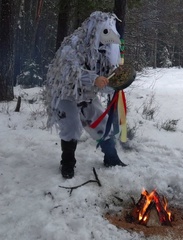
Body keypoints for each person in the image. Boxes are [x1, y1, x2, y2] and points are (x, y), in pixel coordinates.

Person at [46, 11, 126, 179]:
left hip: (87, 94)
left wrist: (114, 83)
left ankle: (111, 157)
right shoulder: (73, 45)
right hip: (65, 92)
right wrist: (94, 78)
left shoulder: (104, 51)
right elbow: (69, 71)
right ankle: (67, 162)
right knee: (72, 126)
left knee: (101, 123)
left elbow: (106, 80)